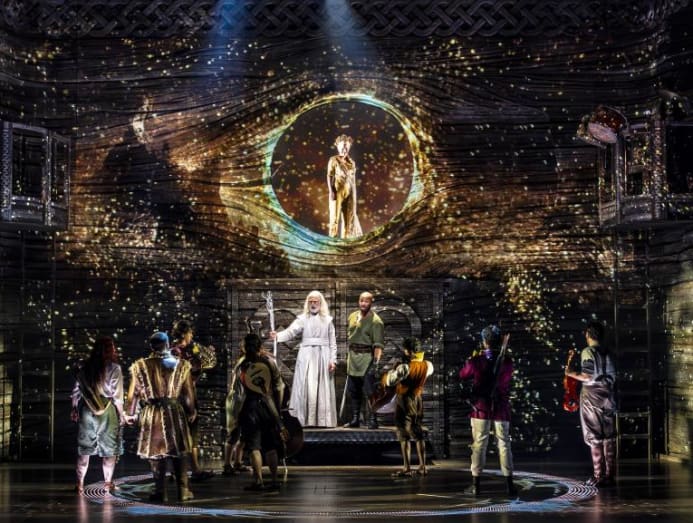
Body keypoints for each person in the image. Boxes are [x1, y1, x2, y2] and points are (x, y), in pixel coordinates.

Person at [126, 332, 196, 502]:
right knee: (179, 450)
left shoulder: (140, 366)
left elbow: (133, 395)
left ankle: (160, 491)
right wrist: (191, 411)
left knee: (156, 453)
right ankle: (183, 490)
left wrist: (130, 414)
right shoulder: (181, 365)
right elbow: (188, 393)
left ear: (151, 346)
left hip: (153, 412)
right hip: (174, 411)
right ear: (167, 344)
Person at [458, 325, 516, 496]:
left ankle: (476, 485)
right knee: (504, 444)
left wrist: (473, 360)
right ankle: (510, 486)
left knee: (479, 445)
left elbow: (463, 375)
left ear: (484, 341)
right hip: (500, 408)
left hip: (481, 408)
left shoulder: (476, 361)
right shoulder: (507, 361)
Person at [269, 290, 338, 427]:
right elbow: (290, 332)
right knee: (306, 386)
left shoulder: (328, 320)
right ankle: (304, 419)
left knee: (321, 387)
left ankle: (322, 420)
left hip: (323, 356)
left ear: (320, 303)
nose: (313, 304)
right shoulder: (302, 319)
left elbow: (332, 343)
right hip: (306, 356)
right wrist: (277, 336)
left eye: (315, 301)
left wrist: (333, 360)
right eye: (310, 301)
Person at [564, 320, 617, 487]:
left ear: (588, 335)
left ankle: (598, 476)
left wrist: (570, 373)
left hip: (592, 397)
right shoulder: (609, 352)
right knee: (609, 436)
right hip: (608, 396)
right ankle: (610, 475)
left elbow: (587, 376)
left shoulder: (588, 352)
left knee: (594, 436)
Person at [70, 337, 126, 494]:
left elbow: (76, 391)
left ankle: (79, 484)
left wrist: (74, 408)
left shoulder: (84, 367)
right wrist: (122, 415)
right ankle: (108, 483)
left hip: (86, 409)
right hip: (106, 410)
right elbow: (117, 396)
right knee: (109, 449)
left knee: (84, 449)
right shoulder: (114, 368)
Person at [237, 333, 288, 491]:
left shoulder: (241, 366)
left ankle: (258, 481)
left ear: (245, 348)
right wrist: (277, 407)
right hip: (268, 407)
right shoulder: (269, 362)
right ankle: (274, 480)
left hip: (250, 408)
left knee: (254, 447)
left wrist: (237, 413)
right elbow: (280, 386)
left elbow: (239, 393)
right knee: (271, 446)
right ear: (260, 347)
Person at [170, 319, 216, 481]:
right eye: (190, 333)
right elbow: (184, 378)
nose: (191, 335)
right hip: (183, 396)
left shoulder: (180, 351)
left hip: (180, 396)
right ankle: (191, 471)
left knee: (182, 435)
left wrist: (205, 359)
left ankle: (181, 471)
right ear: (184, 334)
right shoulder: (178, 353)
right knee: (188, 434)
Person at [383, 337, 433, 477]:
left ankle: (407, 468)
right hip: (418, 400)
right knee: (418, 432)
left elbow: (389, 381)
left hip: (405, 400)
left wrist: (394, 369)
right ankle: (422, 467)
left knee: (403, 433)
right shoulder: (427, 365)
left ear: (409, 351)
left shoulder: (405, 367)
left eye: (405, 350)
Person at [343, 291, 384, 429]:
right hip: (353, 358)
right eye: (361, 300)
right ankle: (356, 419)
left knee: (370, 391)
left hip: (366, 358)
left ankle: (373, 419)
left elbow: (378, 345)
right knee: (353, 390)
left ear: (371, 303)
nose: (363, 303)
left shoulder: (376, 321)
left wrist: (375, 364)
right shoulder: (352, 316)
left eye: (366, 301)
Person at [327, 134, 363, 238]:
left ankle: (346, 239)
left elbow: (353, 180)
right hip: (337, 191)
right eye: (342, 146)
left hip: (350, 192)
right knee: (334, 217)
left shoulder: (351, 162)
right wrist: (331, 191)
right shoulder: (333, 160)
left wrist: (353, 196)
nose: (344, 149)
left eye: (347, 147)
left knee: (349, 217)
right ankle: (332, 238)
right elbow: (329, 175)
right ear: (338, 146)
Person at [222, 339, 248, 476]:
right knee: (233, 432)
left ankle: (237, 462)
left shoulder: (246, 361)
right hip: (237, 400)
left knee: (243, 434)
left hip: (242, 399)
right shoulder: (244, 363)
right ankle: (227, 464)